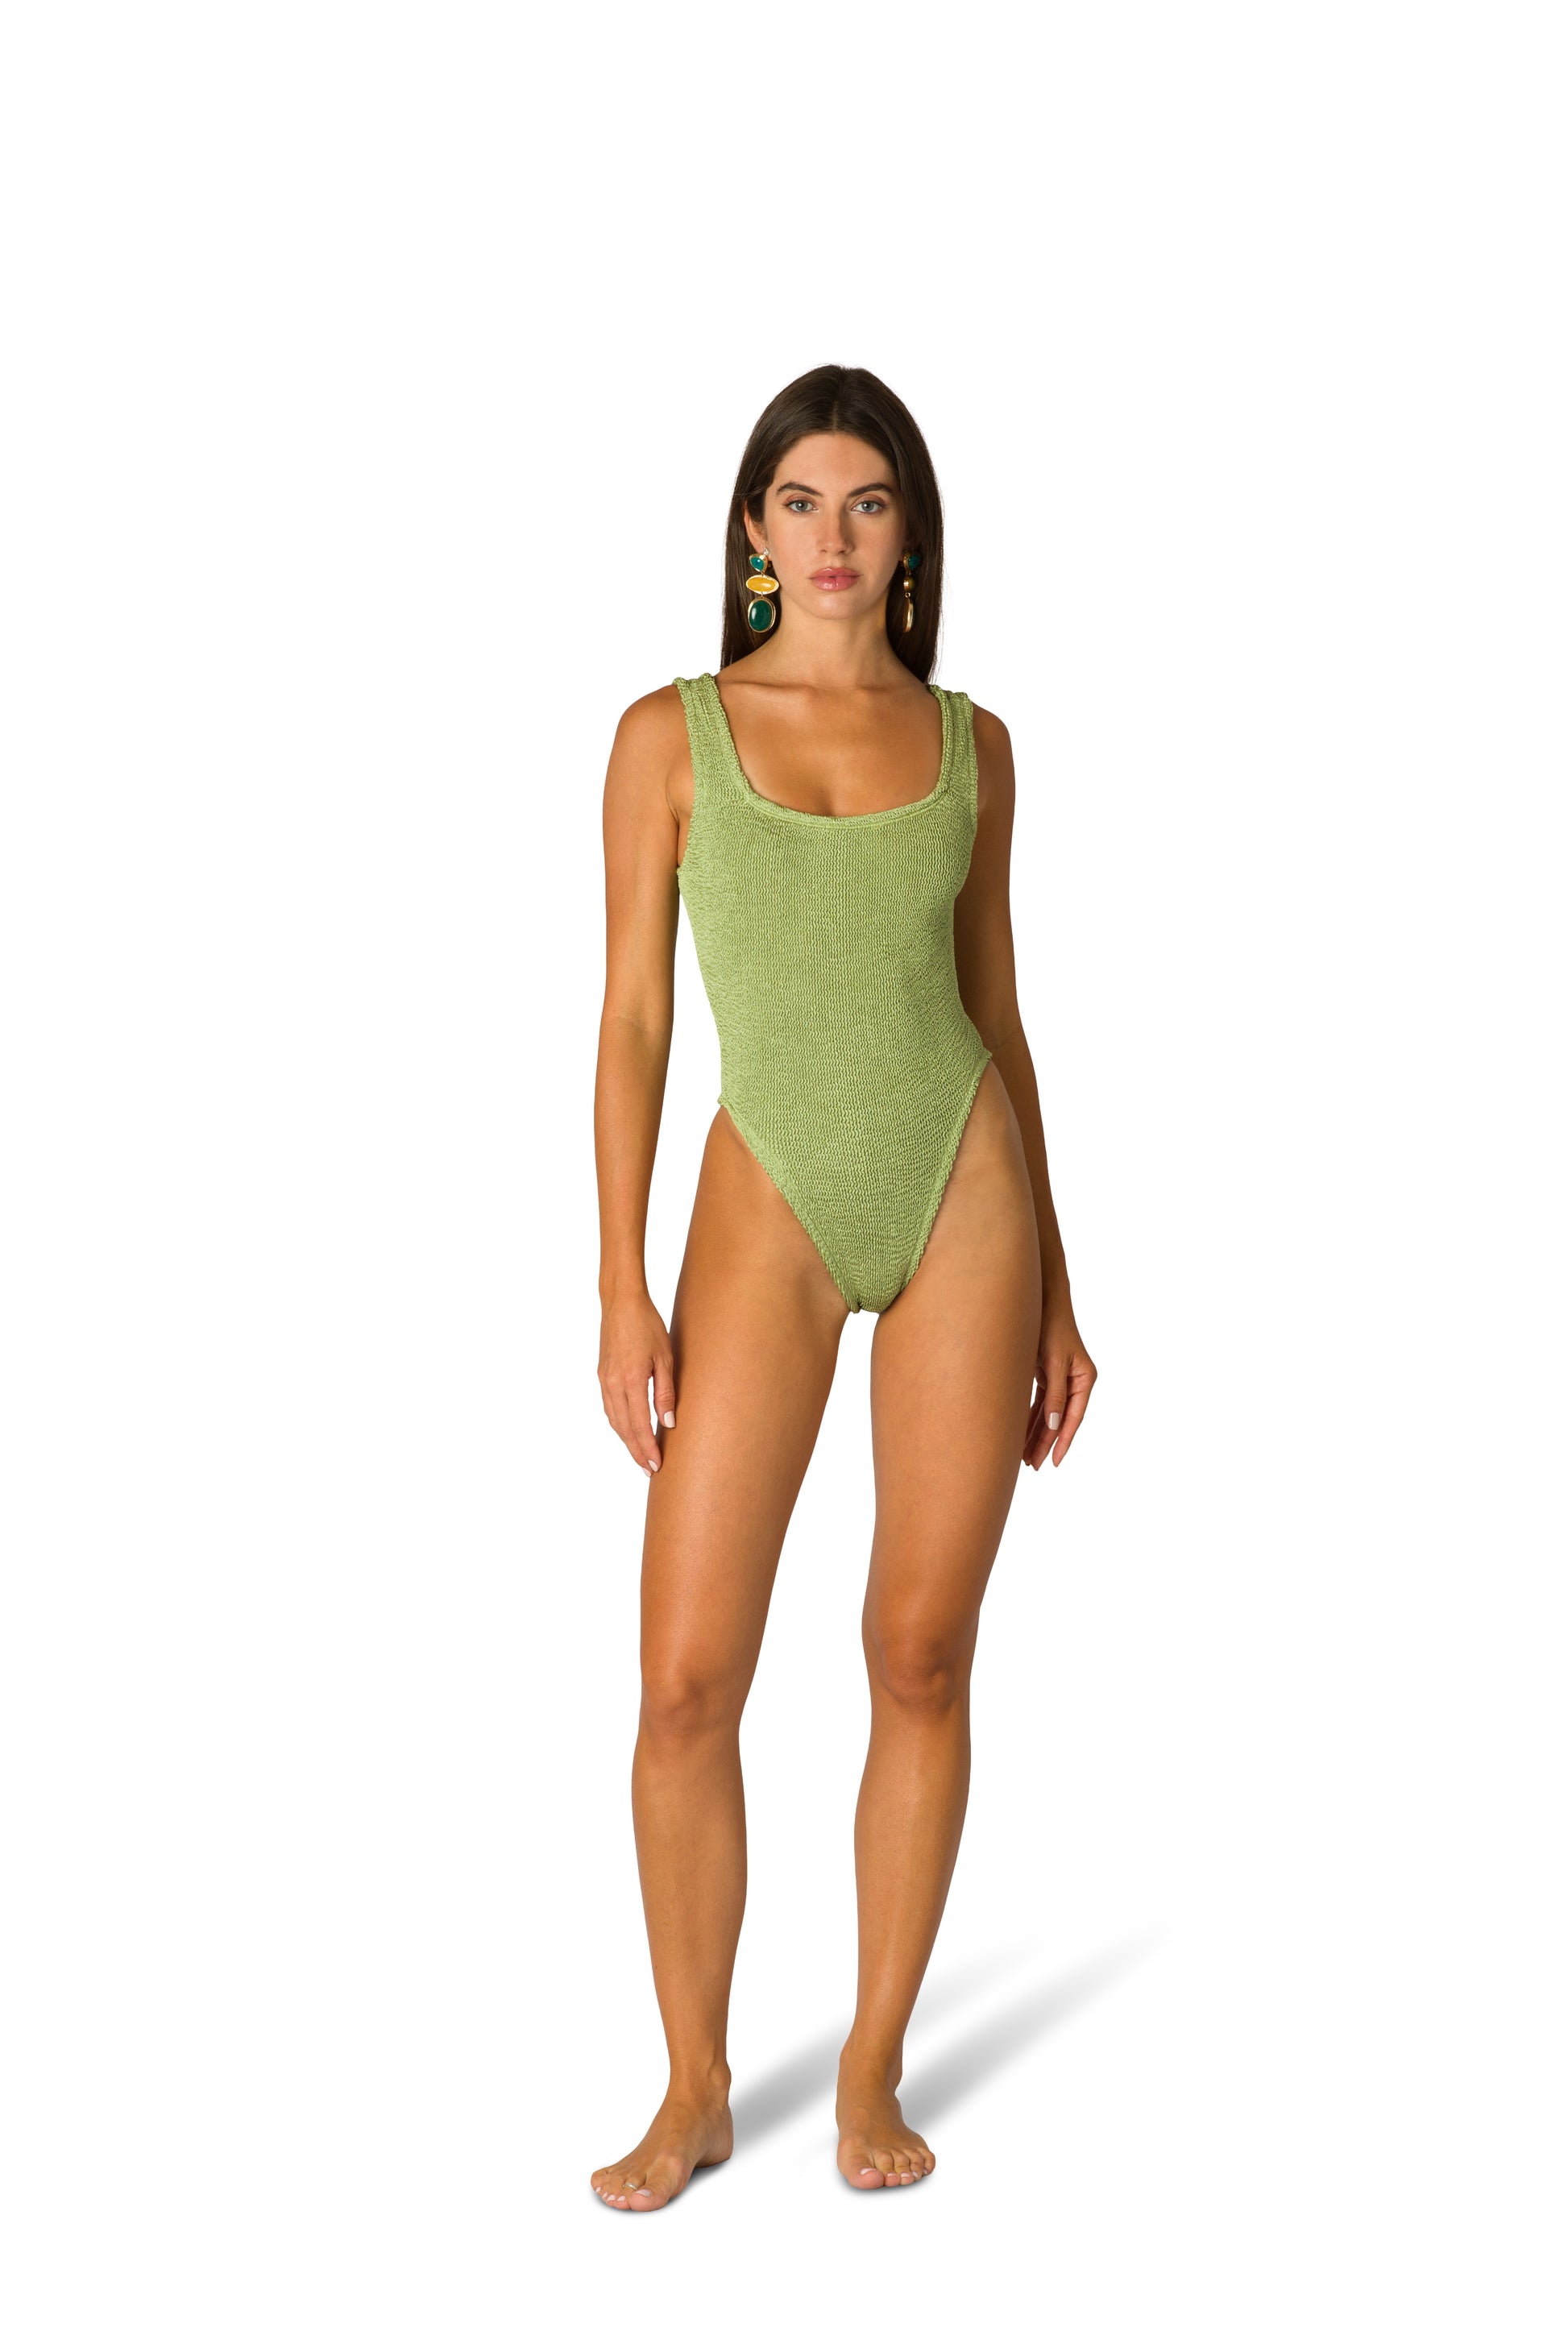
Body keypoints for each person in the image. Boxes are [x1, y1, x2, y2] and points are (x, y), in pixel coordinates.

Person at [590, 364, 1097, 2210]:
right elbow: (633, 1020)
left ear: (909, 537)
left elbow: (998, 1011)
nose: (831, 536)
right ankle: (694, 2081)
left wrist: (1059, 1290)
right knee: (683, 1677)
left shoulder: (973, 744)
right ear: (751, 532)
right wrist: (618, 1284)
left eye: (867, 502)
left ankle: (871, 2058)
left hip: (965, 1187)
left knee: (919, 1650)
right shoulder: (668, 736)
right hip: (764, 1200)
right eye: (799, 502)